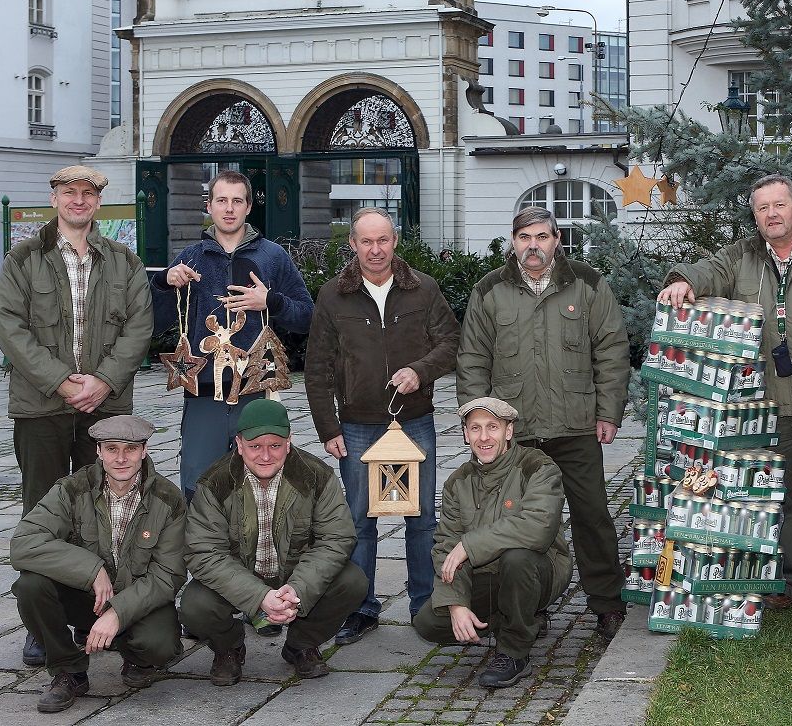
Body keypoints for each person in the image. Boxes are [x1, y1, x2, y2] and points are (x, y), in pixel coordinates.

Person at [658, 173, 792, 630]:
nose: (772, 214)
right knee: (777, 498)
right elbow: (709, 270)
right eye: (763, 207)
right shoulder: (741, 256)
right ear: (755, 214)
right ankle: (786, 582)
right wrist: (684, 281)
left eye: (780, 205)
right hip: (763, 404)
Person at [0, 164, 153, 667]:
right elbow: (10, 329)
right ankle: (42, 626)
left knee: (103, 512)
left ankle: (99, 613)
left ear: (98, 203)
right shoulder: (23, 258)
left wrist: (101, 382)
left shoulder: (123, 260)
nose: (78, 201)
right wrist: (63, 382)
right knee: (41, 510)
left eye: (87, 194)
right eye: (69, 192)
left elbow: (138, 325)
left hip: (104, 409)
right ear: (54, 198)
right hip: (42, 405)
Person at [457, 207, 630, 639]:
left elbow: (611, 350)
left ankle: (606, 602)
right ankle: (528, 604)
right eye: (523, 237)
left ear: (557, 240)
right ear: (512, 242)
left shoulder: (587, 284)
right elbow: (473, 359)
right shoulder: (490, 290)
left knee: (591, 515)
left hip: (575, 427)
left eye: (541, 236)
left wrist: (608, 412)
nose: (532, 245)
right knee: (517, 522)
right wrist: (480, 423)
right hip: (517, 433)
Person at [304, 207, 460, 645]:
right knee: (358, 519)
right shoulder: (334, 296)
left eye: (384, 240)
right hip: (356, 426)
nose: (376, 250)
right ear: (352, 245)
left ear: (395, 241)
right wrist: (327, 427)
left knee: (422, 517)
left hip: (414, 422)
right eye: (366, 242)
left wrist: (421, 370)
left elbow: (451, 342)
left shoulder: (423, 289)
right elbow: (316, 367)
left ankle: (426, 604)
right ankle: (360, 607)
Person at [151, 170, 313, 502]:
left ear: (248, 207)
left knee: (260, 485)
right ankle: (203, 553)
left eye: (237, 201)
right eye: (221, 200)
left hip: (255, 390)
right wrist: (165, 284)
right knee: (199, 484)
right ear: (208, 206)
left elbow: (308, 317)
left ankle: (259, 552)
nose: (229, 208)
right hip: (203, 394)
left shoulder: (271, 256)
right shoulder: (191, 257)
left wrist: (269, 301)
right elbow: (153, 323)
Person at [182, 399, 368, 684]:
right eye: (255, 446)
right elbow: (204, 553)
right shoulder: (214, 483)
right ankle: (228, 648)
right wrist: (259, 597)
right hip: (240, 575)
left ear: (289, 442)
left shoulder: (317, 476)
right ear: (239, 443)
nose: (265, 455)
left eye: (275, 445)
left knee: (353, 581)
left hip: (294, 575)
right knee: (194, 604)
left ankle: (301, 644)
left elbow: (336, 538)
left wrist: (297, 589)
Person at [10, 415, 185, 714]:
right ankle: (68, 671)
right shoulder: (71, 490)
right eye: (111, 448)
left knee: (161, 645)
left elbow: (169, 574)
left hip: (137, 600)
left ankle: (137, 657)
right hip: (86, 599)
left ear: (144, 451)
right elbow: (23, 543)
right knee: (31, 586)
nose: (120, 458)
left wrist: (118, 611)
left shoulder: (167, 499)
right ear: (98, 451)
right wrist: (91, 568)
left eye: (130, 449)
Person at [412, 397, 572, 688]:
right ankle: (517, 617)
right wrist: (456, 603)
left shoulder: (538, 467)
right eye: (475, 428)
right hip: (487, 576)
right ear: (465, 434)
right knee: (428, 622)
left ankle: (513, 652)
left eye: (492, 428)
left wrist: (469, 546)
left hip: (538, 569)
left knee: (517, 558)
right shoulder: (458, 482)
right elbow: (448, 546)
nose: (483, 437)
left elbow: (538, 526)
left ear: (508, 431)